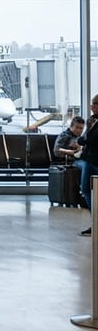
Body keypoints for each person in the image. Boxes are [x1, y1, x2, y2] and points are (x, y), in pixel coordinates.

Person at [74, 96, 98, 237]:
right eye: (92, 104)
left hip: (95, 160)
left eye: (94, 104)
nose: (91, 107)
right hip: (89, 160)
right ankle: (95, 221)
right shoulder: (92, 121)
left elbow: (87, 139)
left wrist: (82, 140)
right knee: (85, 189)